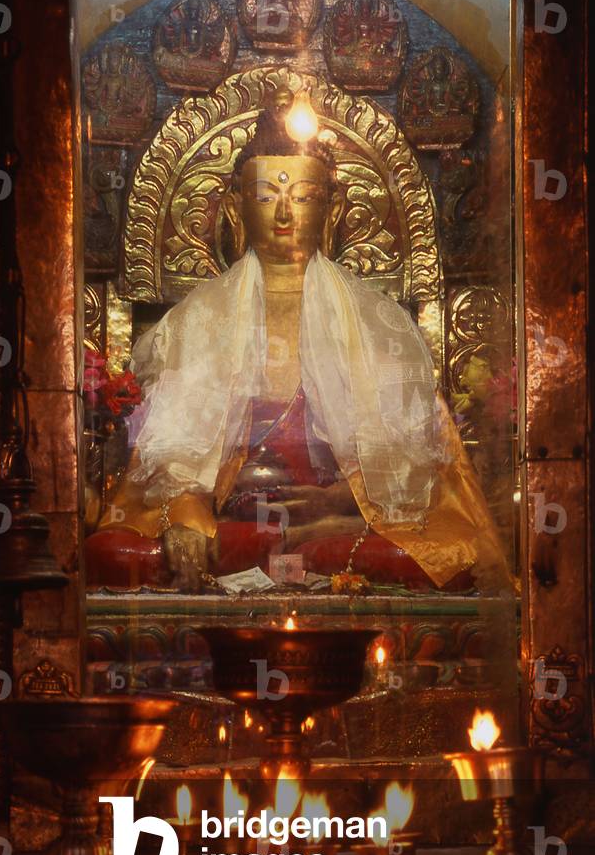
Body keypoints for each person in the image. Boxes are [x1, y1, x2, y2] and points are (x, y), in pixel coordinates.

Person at [89, 87, 510, 595]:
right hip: (233, 531)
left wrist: (340, 510)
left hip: (339, 532)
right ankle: (291, 555)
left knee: (452, 557)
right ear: (233, 209)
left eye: (305, 198)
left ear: (332, 211)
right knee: (111, 554)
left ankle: (305, 552)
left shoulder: (384, 325)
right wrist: (185, 511)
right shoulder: (193, 322)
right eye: (266, 197)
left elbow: (412, 483)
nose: (285, 215)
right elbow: (165, 469)